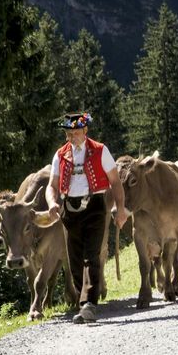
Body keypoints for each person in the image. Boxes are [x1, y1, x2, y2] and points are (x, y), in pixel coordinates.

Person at [46, 111, 128, 324]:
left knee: (91, 255)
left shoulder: (101, 151)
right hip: (69, 210)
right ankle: (83, 301)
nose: (72, 137)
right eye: (69, 133)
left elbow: (116, 182)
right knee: (73, 258)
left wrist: (121, 209)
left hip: (94, 207)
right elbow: (52, 186)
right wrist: (52, 202)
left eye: (76, 132)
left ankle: (88, 304)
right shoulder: (60, 155)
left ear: (85, 130)